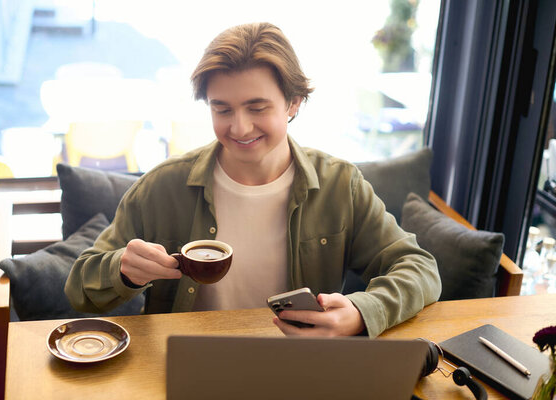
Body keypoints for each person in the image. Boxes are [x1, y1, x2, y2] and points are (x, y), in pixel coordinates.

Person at [65, 22, 441, 338]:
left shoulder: (340, 185)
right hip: (185, 367)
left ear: (294, 103)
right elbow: (80, 289)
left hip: (300, 371)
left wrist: (362, 312)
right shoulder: (163, 187)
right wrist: (123, 271)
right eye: (222, 109)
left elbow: (419, 267)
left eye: (257, 108)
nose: (239, 127)